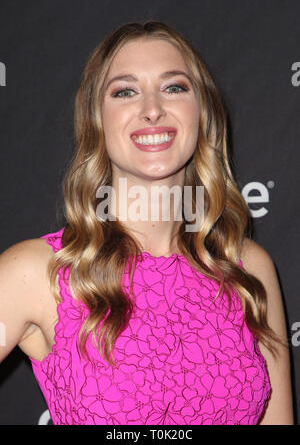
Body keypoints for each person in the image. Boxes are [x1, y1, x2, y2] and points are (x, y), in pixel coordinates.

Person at [0, 21, 293, 425]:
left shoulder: (247, 267)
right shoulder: (35, 273)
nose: (152, 109)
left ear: (203, 112)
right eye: (125, 91)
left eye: (175, 87)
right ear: (96, 120)